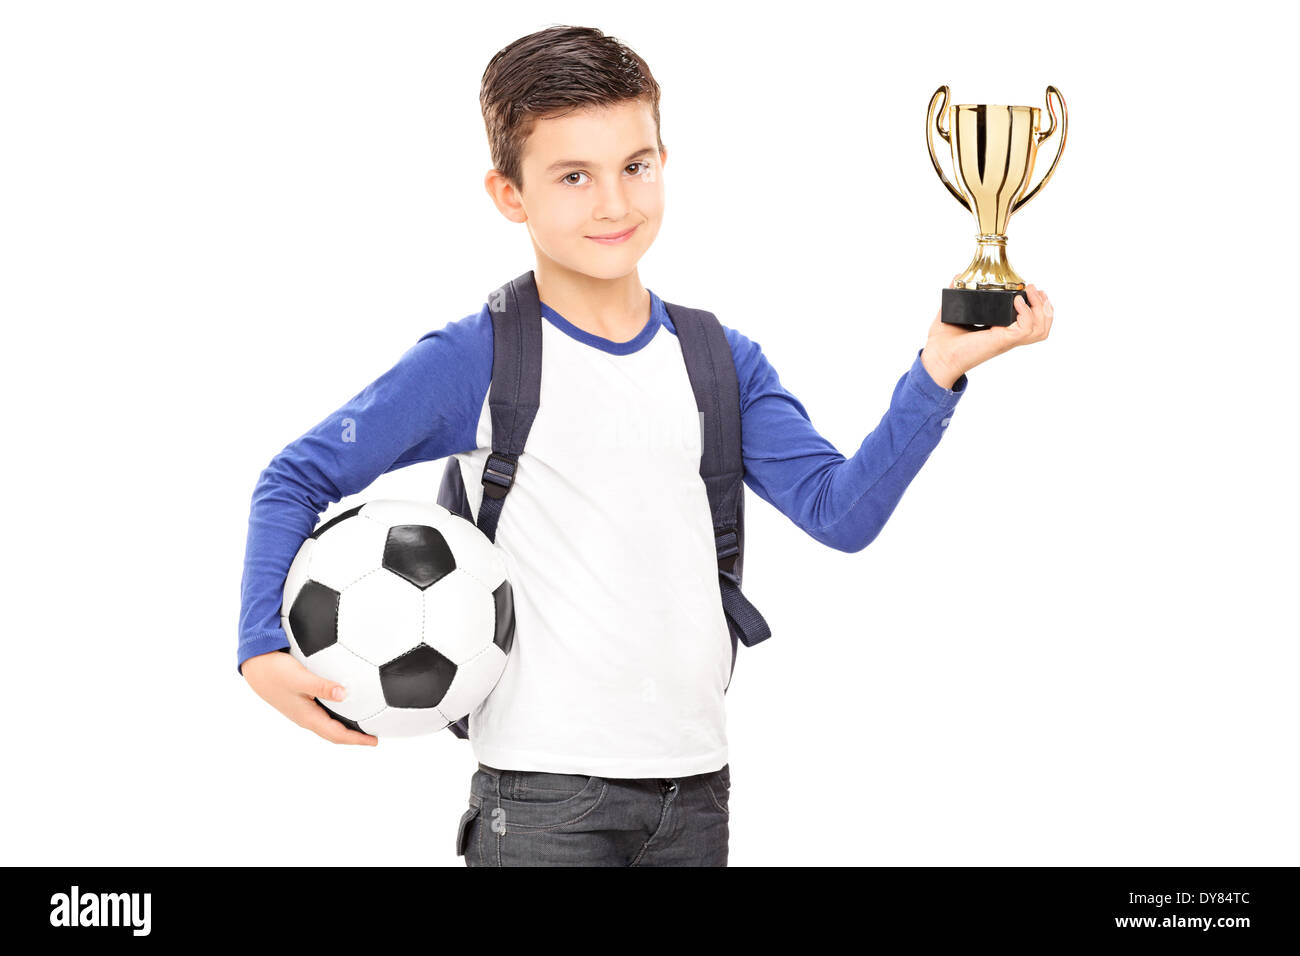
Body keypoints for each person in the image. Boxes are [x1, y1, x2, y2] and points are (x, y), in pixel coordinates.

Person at [236, 25, 1054, 867]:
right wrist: (261, 647)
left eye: (636, 166)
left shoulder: (717, 359)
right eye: (573, 176)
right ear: (509, 194)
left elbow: (838, 513)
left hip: (696, 790)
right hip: (542, 797)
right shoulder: (478, 356)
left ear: (665, 157)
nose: (616, 205)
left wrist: (939, 371)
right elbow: (294, 478)